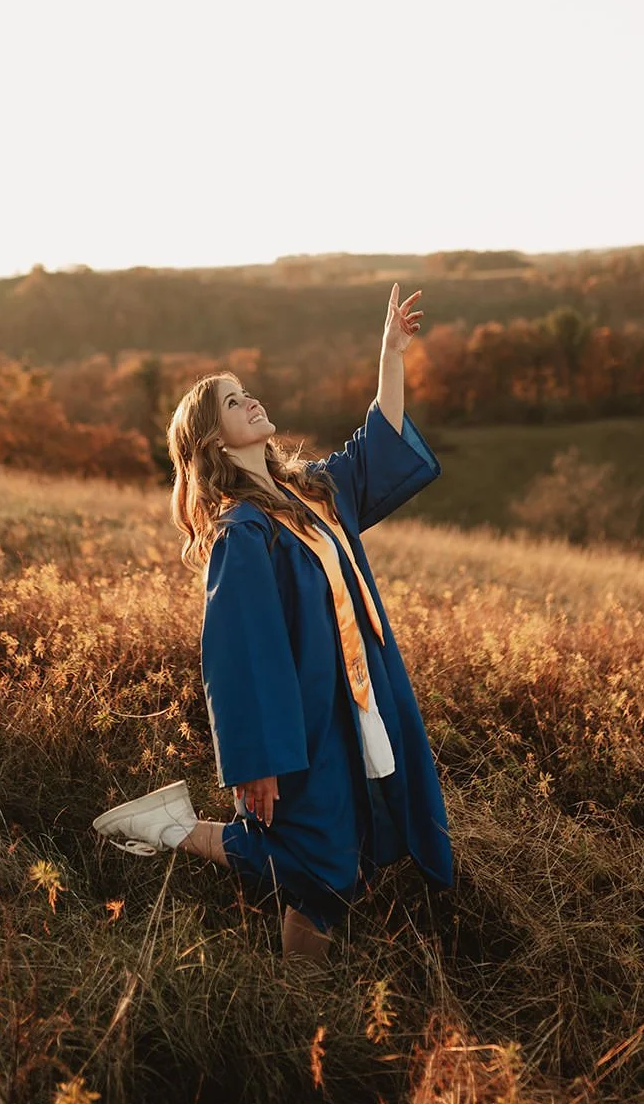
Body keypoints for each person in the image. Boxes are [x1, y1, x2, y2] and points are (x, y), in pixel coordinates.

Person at [92, 284, 453, 964]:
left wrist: (390, 354)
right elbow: (242, 655)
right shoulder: (243, 531)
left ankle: (297, 1001)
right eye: (232, 402)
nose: (249, 400)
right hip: (308, 721)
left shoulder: (308, 493)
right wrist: (257, 762)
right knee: (317, 856)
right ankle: (179, 835)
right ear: (213, 442)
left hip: (362, 698)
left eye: (244, 392)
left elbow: (375, 446)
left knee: (348, 850)